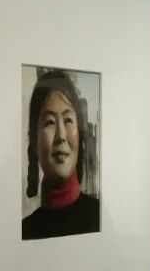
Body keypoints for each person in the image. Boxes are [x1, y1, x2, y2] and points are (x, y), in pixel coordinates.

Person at [22, 69, 99, 240]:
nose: (61, 136)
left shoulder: (99, 218)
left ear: (79, 136)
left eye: (68, 120)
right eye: (50, 122)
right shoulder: (25, 231)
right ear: (34, 142)